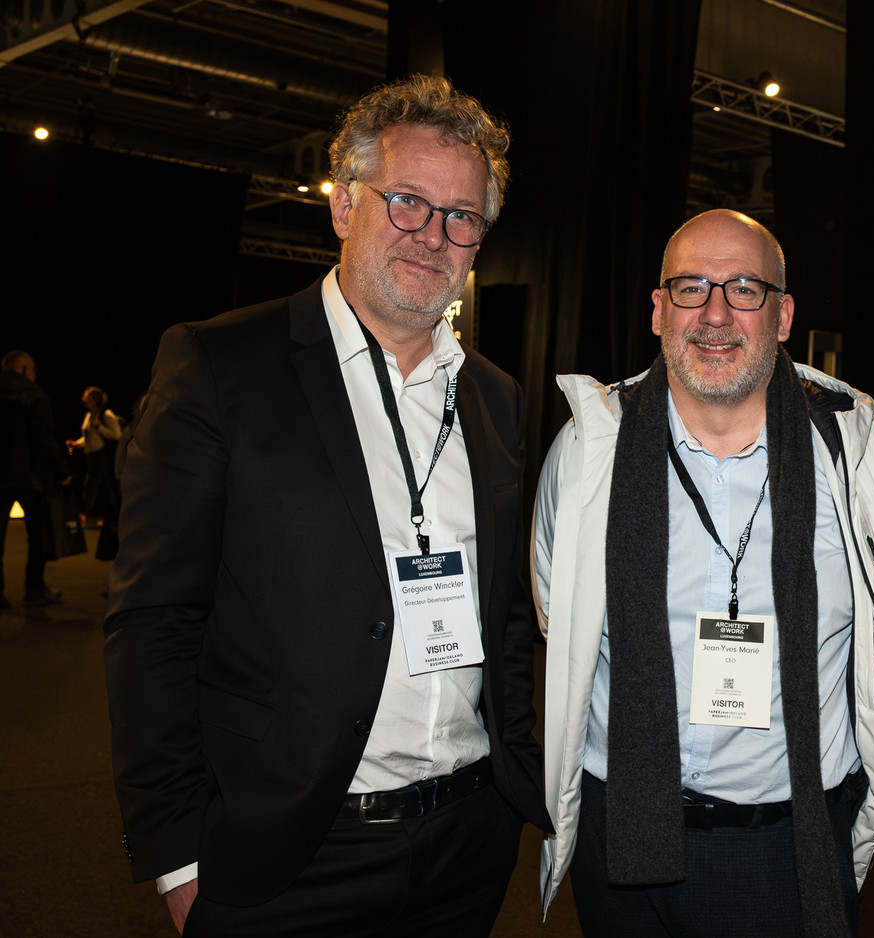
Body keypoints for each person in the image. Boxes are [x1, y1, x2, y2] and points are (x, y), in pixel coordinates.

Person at [105, 74, 550, 937]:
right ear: (345, 204)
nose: (434, 236)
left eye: (463, 217)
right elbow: (155, 617)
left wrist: (519, 787)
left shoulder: (497, 399)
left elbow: (507, 615)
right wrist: (175, 852)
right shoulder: (220, 364)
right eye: (408, 202)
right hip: (287, 854)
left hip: (467, 842)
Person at [532, 209, 874, 937]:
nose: (715, 314)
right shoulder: (588, 450)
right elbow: (559, 615)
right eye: (690, 288)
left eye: (745, 289)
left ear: (782, 315)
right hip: (616, 830)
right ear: (658, 311)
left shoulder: (867, 457)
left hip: (783, 844)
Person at [0, 351, 70, 607]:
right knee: (37, 536)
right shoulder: (34, 395)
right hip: (28, 476)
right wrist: (62, 470)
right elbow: (43, 438)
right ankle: (34, 588)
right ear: (24, 369)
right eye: (33, 369)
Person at [67, 385, 122, 526]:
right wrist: (76, 444)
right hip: (90, 456)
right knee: (104, 488)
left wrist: (99, 427)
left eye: (87, 397)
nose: (83, 400)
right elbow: (88, 438)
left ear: (95, 399)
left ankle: (83, 515)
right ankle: (112, 517)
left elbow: (117, 435)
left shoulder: (106, 414)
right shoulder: (89, 415)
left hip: (101, 456)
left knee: (91, 484)